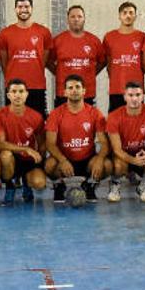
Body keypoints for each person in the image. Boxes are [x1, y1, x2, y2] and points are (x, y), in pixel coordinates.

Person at [44, 74, 109, 203]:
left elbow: (104, 142)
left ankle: (89, 185)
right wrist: (62, 160)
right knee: (49, 165)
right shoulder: (56, 114)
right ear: (65, 92)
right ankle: (59, 185)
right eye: (70, 87)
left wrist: (100, 159)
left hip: (87, 160)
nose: (74, 90)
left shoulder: (95, 113)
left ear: (84, 91)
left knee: (107, 165)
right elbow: (50, 144)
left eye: (78, 87)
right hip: (65, 159)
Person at [0, 0, 53, 118]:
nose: (23, 9)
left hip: (36, 86)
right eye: (20, 6)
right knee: (12, 123)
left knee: (38, 124)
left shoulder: (43, 32)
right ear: (15, 9)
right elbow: (4, 62)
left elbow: (43, 60)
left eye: (27, 6)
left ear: (32, 9)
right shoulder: (5, 34)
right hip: (13, 88)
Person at [105, 81, 145, 203]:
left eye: (138, 95)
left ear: (143, 96)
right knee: (119, 166)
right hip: (123, 155)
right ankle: (115, 185)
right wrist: (133, 160)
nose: (134, 99)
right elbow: (117, 149)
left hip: (141, 153)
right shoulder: (114, 116)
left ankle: (143, 186)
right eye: (130, 95)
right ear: (124, 97)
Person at [0, 78, 47, 205]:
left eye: (21, 91)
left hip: (28, 160)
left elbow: (42, 144)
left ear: (26, 94)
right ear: (8, 95)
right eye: (13, 91)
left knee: (39, 183)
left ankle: (26, 183)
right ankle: (10, 186)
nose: (17, 95)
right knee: (5, 155)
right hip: (10, 158)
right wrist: (25, 149)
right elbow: (0, 144)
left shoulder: (36, 117)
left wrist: (40, 163)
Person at [50, 5, 105, 108]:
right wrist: (59, 73)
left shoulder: (94, 41)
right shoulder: (58, 40)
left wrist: (91, 73)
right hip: (63, 93)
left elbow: (102, 61)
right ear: (67, 19)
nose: (76, 19)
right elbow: (48, 61)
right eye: (73, 17)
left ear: (84, 19)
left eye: (79, 17)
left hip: (87, 93)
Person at [102, 2, 145, 113]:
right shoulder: (109, 37)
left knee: (137, 124)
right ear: (119, 16)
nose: (128, 16)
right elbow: (108, 64)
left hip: (137, 91)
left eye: (131, 13)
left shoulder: (142, 37)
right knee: (114, 123)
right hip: (116, 90)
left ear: (135, 16)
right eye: (125, 13)